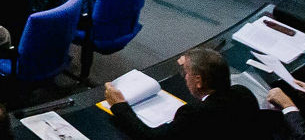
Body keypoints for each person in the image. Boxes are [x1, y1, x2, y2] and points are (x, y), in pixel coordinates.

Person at [103, 45, 265, 139]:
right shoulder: (243, 93)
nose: (184, 77)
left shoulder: (194, 114)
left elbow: (150, 137)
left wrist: (119, 106)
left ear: (199, 81)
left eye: (186, 72)